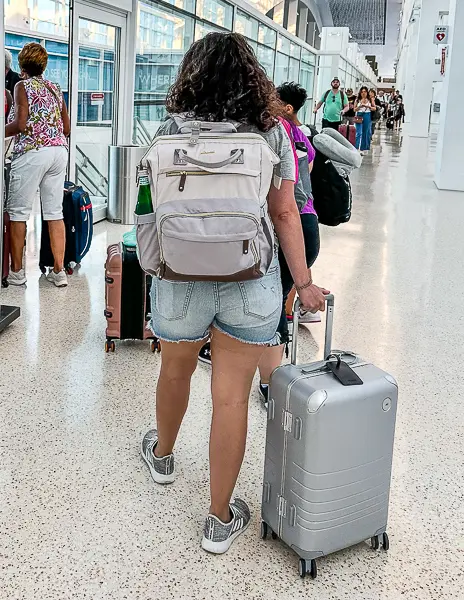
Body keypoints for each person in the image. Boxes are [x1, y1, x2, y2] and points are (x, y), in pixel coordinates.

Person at [140, 33, 328, 555]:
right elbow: (285, 212)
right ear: (252, 76)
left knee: (174, 370)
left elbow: (154, 208)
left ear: (192, 74)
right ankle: (219, 519)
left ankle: (163, 455)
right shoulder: (272, 134)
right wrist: (304, 283)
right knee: (231, 398)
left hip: (178, 277)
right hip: (251, 280)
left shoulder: (169, 130)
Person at [257, 81, 322, 408]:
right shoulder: (301, 134)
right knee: (278, 297)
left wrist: (305, 282)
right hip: (308, 224)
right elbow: (304, 172)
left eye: (274, 100)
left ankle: (272, 383)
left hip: (290, 225)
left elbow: (282, 204)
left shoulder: (273, 128)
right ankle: (273, 374)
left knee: (272, 304)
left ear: (286, 107)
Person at [5, 42, 70, 287]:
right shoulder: (54, 88)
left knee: (19, 212)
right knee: (55, 213)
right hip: (57, 152)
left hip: (33, 152)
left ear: (22, 65)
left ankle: (17, 273)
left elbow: (20, 124)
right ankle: (59, 272)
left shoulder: (22, 86)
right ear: (43, 65)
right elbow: (67, 128)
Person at [354, 86, 376, 155]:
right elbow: (354, 109)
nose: (363, 93)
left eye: (365, 92)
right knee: (358, 132)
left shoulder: (370, 99)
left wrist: (368, 107)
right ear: (360, 92)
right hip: (359, 115)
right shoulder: (357, 99)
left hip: (367, 114)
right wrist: (360, 106)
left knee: (366, 132)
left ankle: (364, 148)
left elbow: (374, 108)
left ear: (367, 92)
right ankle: (356, 147)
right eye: (362, 92)